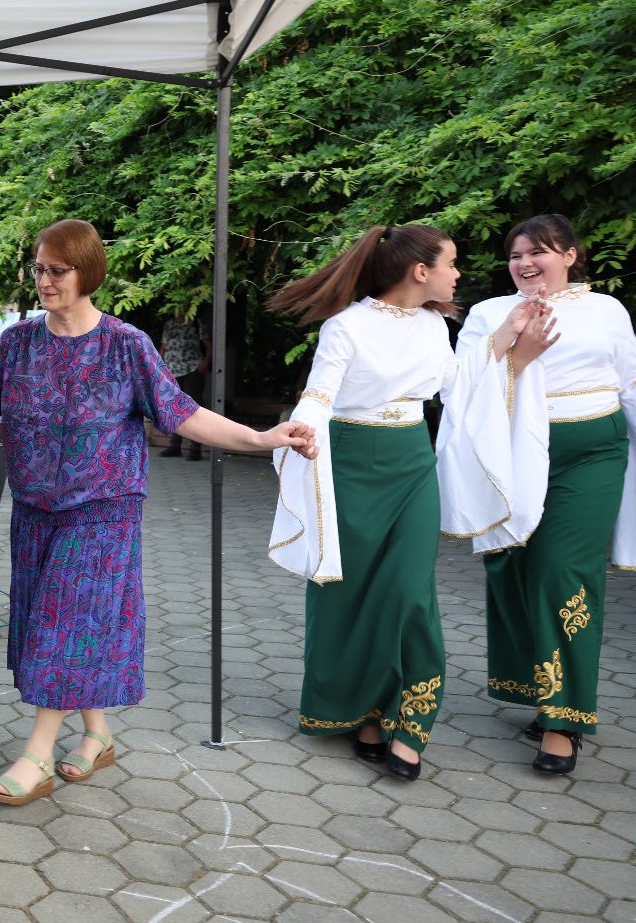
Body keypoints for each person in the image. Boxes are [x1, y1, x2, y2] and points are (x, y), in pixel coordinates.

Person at [0, 219, 316, 805]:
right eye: (39, 269)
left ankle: (37, 754)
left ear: (87, 271)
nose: (45, 280)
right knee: (68, 624)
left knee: (61, 623)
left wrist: (260, 438)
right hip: (36, 510)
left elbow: (182, 413)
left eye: (57, 270)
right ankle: (97, 734)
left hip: (102, 511)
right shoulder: (18, 342)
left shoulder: (126, 345)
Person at [268, 224, 553, 781]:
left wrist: (510, 332)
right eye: (452, 263)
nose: (458, 273)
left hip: (413, 464)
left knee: (409, 593)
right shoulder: (345, 326)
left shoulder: (433, 325)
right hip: (350, 464)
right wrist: (300, 434)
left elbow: (457, 383)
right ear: (420, 272)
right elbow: (320, 394)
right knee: (347, 591)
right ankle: (361, 714)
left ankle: (409, 723)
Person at [456, 214, 635, 774]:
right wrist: (514, 346)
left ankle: (565, 719)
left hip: (593, 455)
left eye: (539, 251)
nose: (525, 263)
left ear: (570, 255)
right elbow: (458, 384)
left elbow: (630, 383)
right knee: (512, 568)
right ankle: (543, 690)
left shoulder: (607, 309)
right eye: (516, 255)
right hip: (514, 455)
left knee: (563, 571)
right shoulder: (489, 313)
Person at [157, 311, 210, 460]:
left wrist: (204, 364)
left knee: (193, 408)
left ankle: (195, 448)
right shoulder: (169, 324)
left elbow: (208, 346)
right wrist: (160, 369)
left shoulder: (196, 322)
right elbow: (163, 348)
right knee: (174, 408)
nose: (178, 313)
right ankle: (175, 446)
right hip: (172, 371)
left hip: (192, 369)